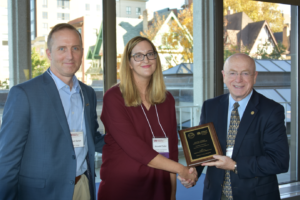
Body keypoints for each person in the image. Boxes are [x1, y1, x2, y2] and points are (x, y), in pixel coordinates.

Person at [0, 23, 104, 200]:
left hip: (83, 187)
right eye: (62, 48)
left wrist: (131, 143)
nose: (70, 56)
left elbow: (91, 137)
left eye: (75, 48)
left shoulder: (88, 93)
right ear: (49, 53)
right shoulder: (24, 94)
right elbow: (7, 159)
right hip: (42, 193)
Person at [97, 36, 197, 200]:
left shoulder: (167, 99)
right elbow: (137, 149)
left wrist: (172, 195)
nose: (146, 59)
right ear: (129, 63)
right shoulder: (114, 98)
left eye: (150, 54)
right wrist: (182, 169)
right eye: (138, 55)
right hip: (123, 189)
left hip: (159, 188)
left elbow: (171, 150)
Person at [179, 53, 289, 200]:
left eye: (245, 73)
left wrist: (235, 165)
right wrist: (193, 173)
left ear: (254, 76)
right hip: (215, 194)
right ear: (224, 75)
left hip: (254, 196)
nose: (238, 80)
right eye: (232, 73)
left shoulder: (271, 111)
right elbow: (204, 151)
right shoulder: (210, 106)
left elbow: (279, 161)